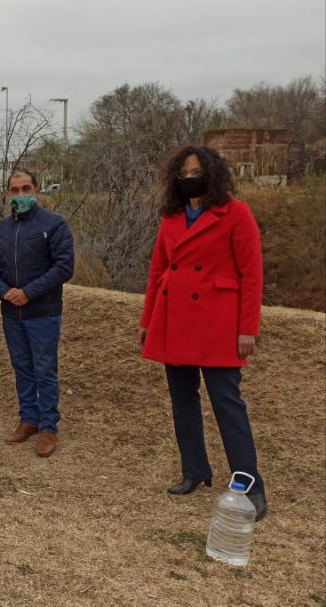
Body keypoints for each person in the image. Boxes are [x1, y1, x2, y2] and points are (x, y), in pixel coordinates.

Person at [139, 145, 267, 521]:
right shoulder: (171, 217)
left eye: (196, 171)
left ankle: (250, 486)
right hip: (174, 319)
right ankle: (194, 470)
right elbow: (157, 273)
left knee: (229, 407)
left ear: (213, 174)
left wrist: (248, 329)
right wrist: (148, 322)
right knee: (183, 402)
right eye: (183, 171)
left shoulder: (236, 213)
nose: (189, 177)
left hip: (218, 325)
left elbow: (252, 275)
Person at [0, 169, 74, 457]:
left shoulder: (55, 224)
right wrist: (4, 291)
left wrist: (28, 292)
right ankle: (29, 419)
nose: (21, 195)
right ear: (8, 193)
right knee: (22, 368)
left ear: (36, 190)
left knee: (45, 370)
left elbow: (63, 267)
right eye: (15, 190)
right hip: (12, 313)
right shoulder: (0, 229)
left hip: (43, 312)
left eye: (26, 188)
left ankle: (49, 427)